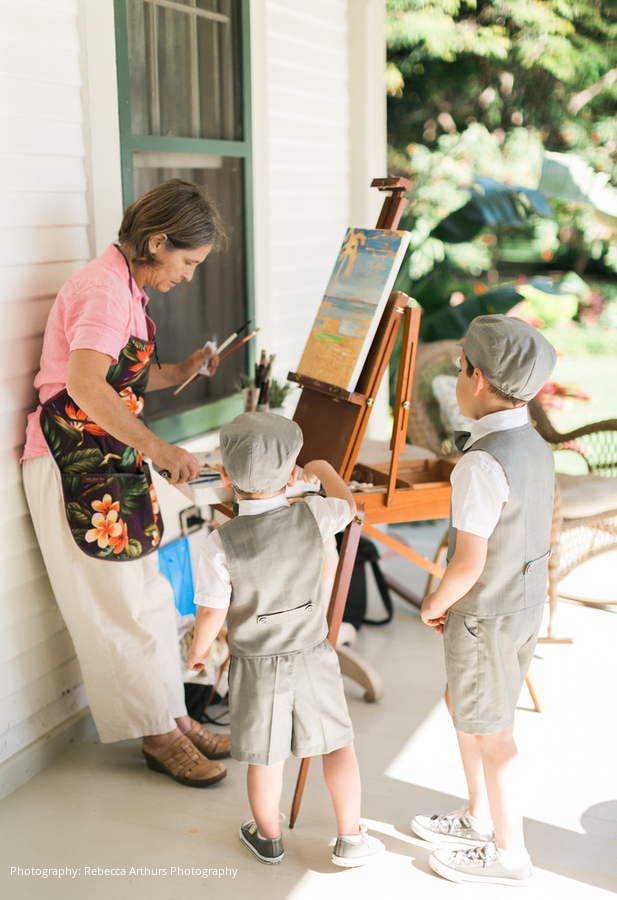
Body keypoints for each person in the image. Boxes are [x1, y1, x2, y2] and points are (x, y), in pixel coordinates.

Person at [22, 179, 232, 788]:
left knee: (149, 600)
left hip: (109, 463)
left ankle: (170, 714)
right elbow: (86, 386)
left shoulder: (127, 290)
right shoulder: (103, 290)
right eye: (188, 262)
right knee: (117, 608)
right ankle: (158, 735)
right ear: (157, 241)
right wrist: (161, 449)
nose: (189, 276)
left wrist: (185, 368)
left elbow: (123, 379)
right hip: (77, 466)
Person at [187, 413, 385, 867]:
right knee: (338, 745)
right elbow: (349, 504)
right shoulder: (314, 514)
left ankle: (268, 837)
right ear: (293, 476)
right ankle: (351, 837)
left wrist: (199, 653)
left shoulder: (220, 544)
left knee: (267, 757)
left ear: (224, 477)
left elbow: (212, 612)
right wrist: (323, 467)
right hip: (313, 656)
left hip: (256, 666)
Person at [411, 315, 557, 886]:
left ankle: (509, 854)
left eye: (458, 370)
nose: (455, 380)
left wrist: (432, 605)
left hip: (484, 615)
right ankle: (477, 818)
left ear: (476, 379)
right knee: (466, 706)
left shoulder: (480, 463)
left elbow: (466, 563)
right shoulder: (535, 444)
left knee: (494, 735)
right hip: (523, 607)